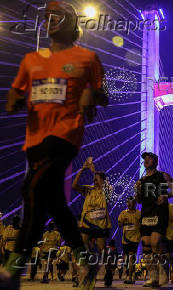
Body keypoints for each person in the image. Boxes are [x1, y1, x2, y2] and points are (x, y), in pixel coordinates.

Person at [1, 1, 107, 288]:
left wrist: (91, 97)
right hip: (34, 141)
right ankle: (85, 258)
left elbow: (102, 94)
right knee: (51, 203)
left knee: (32, 189)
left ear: (71, 23)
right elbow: (15, 92)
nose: (49, 21)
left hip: (65, 136)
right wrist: (15, 100)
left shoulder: (88, 59)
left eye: (56, 16)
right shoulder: (31, 61)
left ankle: (11, 271)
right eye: (46, 16)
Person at [135, 152, 173, 288]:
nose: (146, 161)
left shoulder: (162, 175)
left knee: (155, 243)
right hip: (146, 214)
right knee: (146, 246)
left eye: (149, 158)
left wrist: (166, 196)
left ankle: (162, 269)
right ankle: (153, 277)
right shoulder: (141, 181)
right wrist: (137, 191)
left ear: (155, 162)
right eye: (145, 159)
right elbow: (139, 200)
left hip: (159, 214)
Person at [118, 196, 141, 284]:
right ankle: (130, 273)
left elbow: (142, 224)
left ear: (135, 204)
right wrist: (122, 222)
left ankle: (130, 276)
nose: (129, 204)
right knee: (126, 259)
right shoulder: (123, 213)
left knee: (131, 257)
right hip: (125, 240)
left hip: (135, 239)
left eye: (131, 203)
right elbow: (119, 224)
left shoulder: (139, 214)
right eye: (128, 203)